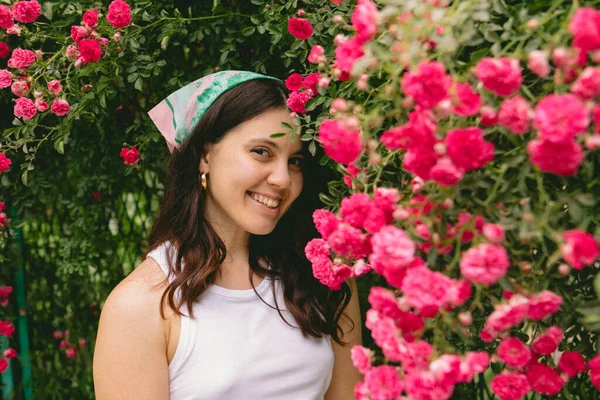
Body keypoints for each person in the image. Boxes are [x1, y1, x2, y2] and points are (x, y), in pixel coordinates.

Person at [93, 70, 362, 399]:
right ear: (206, 155)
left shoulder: (321, 275)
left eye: (295, 161)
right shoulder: (140, 305)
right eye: (261, 151)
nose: (282, 179)